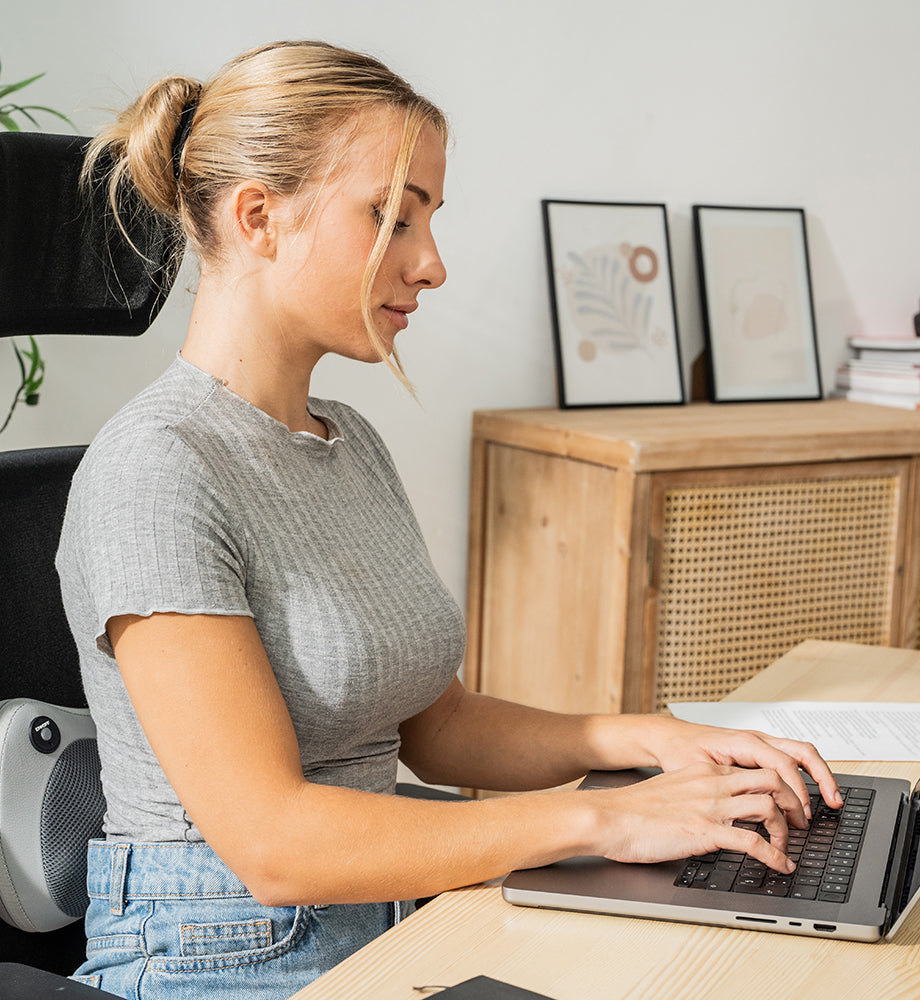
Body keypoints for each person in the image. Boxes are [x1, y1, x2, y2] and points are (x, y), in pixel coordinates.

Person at [55, 40, 842, 1000]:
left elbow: (438, 725)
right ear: (260, 215)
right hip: (218, 952)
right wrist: (606, 820)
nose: (430, 264)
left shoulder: (346, 441)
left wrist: (649, 741)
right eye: (389, 216)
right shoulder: (156, 470)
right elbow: (274, 845)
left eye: (429, 220)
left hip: (393, 911)